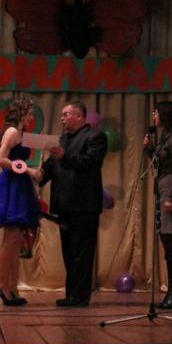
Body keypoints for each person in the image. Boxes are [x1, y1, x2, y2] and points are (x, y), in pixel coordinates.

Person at [40, 101, 107, 307]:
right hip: (64, 203)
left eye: (66, 114)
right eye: (61, 115)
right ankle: (72, 295)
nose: (62, 119)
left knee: (82, 253)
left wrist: (64, 156)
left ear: (79, 116)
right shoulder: (62, 139)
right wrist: (39, 175)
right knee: (69, 252)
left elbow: (91, 162)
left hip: (84, 205)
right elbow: (52, 164)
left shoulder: (95, 136)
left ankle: (80, 297)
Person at [0, 98, 41, 306]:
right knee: (10, 239)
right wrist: (28, 170)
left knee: (16, 240)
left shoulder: (23, 134)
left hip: (20, 184)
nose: (32, 117)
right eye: (30, 113)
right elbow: (0, 159)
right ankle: (2, 285)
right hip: (11, 185)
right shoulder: (12, 132)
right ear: (22, 114)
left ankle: (13, 287)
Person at [144, 101, 172, 309]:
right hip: (162, 189)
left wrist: (170, 196)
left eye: (156, 112)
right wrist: (149, 149)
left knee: (171, 241)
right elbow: (159, 164)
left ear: (165, 114)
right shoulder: (165, 136)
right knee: (166, 240)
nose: (153, 115)